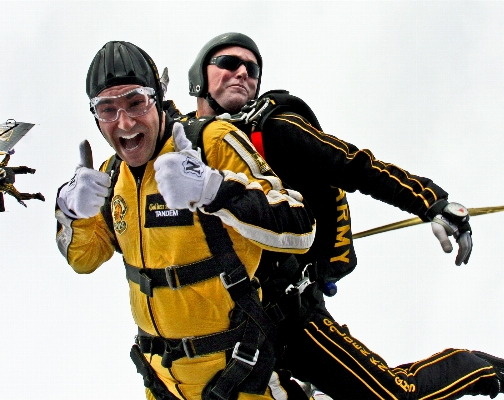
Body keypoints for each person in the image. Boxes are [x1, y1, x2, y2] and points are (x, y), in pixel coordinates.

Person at [183, 32, 504, 399]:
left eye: (252, 68)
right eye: (228, 63)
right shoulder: (174, 143)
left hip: (288, 314)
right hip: (222, 322)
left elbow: (354, 166)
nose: (242, 72)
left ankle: (481, 368)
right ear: (199, 77)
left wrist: (431, 202)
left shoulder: (273, 129)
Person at [54, 41, 317, 400]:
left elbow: (300, 227)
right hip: (162, 384)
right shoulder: (109, 177)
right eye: (107, 109)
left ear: (158, 98)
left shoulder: (212, 143)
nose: (125, 122)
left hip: (240, 378)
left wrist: (214, 190)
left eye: (135, 101)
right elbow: (83, 259)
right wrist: (70, 213)